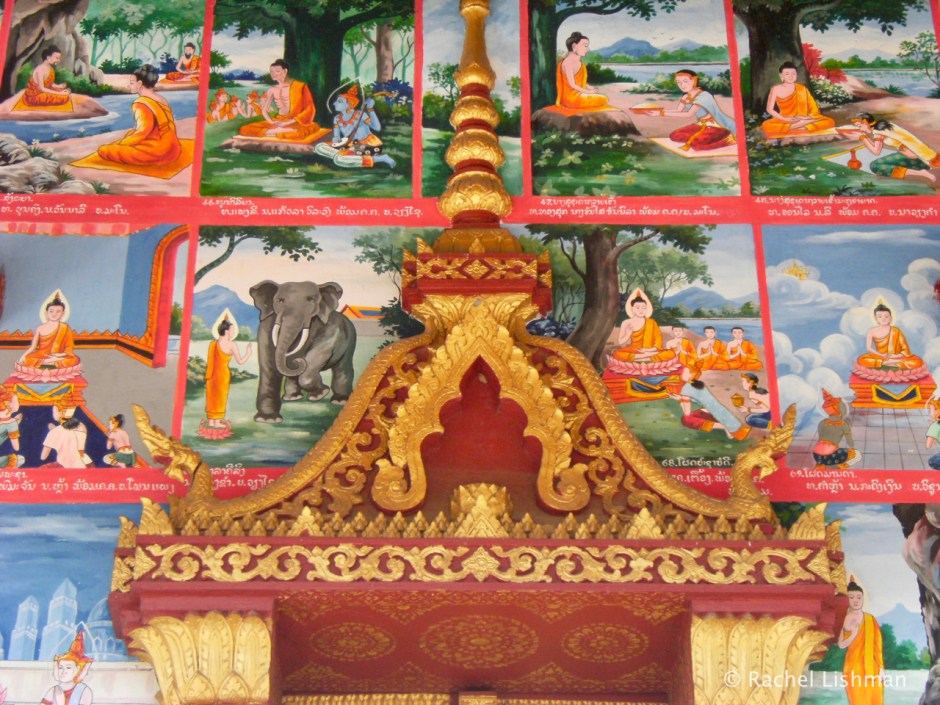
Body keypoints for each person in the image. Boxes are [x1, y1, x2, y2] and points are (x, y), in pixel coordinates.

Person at [97, 65, 182, 165]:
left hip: (158, 152)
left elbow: (142, 132)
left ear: (140, 83)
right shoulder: (161, 99)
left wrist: (121, 144)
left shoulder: (141, 103)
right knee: (130, 133)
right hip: (173, 148)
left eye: (132, 83)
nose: (129, 86)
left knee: (104, 150)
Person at [236, 59, 327, 141]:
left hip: (294, 121)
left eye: (277, 71)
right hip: (278, 120)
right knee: (245, 129)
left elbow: (309, 109)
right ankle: (278, 131)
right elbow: (264, 110)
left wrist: (289, 122)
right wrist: (272, 122)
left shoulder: (300, 86)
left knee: (306, 130)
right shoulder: (272, 89)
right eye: (271, 72)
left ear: (285, 71)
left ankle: (276, 132)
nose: (273, 74)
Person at [314, 84, 396, 168]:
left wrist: (370, 109)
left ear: (349, 105)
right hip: (349, 144)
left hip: (368, 145)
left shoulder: (360, 114)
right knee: (319, 147)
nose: (335, 103)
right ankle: (343, 155)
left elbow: (377, 128)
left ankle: (380, 158)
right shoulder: (337, 118)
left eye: (339, 101)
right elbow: (336, 137)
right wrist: (337, 142)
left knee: (339, 160)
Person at [656, 70, 736, 151]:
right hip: (701, 124)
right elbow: (679, 110)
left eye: (685, 81)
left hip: (717, 126)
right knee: (675, 135)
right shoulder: (686, 96)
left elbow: (689, 114)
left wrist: (662, 113)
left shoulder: (703, 96)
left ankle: (728, 141)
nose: (682, 85)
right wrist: (659, 112)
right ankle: (697, 137)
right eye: (678, 82)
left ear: (694, 80)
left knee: (696, 145)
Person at [667, 363, 750, 440]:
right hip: (715, 412)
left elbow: (687, 413)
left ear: (691, 375)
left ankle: (723, 426)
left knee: (686, 419)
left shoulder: (686, 388)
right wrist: (680, 398)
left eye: (685, 372)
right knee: (695, 415)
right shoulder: (697, 383)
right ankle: (724, 426)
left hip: (712, 413)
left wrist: (680, 399)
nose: (682, 374)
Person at [847, 113, 939, 183]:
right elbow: (876, 146)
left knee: (875, 165)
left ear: (866, 123)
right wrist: (865, 137)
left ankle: (921, 173)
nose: (860, 129)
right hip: (925, 157)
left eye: (859, 126)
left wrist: (863, 137)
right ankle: (919, 170)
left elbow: (876, 151)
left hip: (918, 159)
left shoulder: (878, 132)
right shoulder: (885, 125)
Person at [838, 578, 884, 705]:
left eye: (859, 597)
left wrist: (881, 668)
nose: (856, 600)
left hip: (872, 668)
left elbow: (878, 645)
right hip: (853, 668)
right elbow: (841, 644)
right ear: (847, 600)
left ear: (863, 598)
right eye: (851, 597)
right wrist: (853, 635)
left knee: (876, 700)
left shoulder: (870, 619)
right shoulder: (845, 619)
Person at [760, 61, 835, 139]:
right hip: (785, 119)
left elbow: (813, 108)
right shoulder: (775, 89)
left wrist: (806, 118)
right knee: (766, 125)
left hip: (803, 118)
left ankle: (796, 126)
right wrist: (785, 119)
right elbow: (769, 109)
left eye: (793, 74)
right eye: (787, 74)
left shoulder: (802, 88)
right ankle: (803, 126)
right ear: (781, 75)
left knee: (829, 121)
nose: (791, 76)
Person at [204, 317, 252, 429]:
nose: (233, 332)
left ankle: (211, 421)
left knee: (212, 396)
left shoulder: (212, 344)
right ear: (226, 331)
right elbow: (240, 361)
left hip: (211, 375)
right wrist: (248, 353)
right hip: (222, 376)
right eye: (232, 330)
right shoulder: (231, 344)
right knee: (220, 397)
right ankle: (216, 422)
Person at [610, 290, 676, 364]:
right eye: (637, 307)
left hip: (650, 350)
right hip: (634, 349)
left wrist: (648, 350)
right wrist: (628, 334)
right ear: (632, 308)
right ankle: (647, 357)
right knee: (617, 353)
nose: (641, 310)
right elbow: (620, 341)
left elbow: (658, 341)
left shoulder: (652, 322)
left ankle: (640, 358)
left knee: (671, 353)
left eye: (644, 308)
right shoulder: (626, 323)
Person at [17, 293, 80, 370]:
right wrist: (23, 356)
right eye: (51, 311)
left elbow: (69, 348)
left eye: (58, 311)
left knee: (75, 359)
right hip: (42, 355)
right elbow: (33, 347)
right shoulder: (40, 328)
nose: (54, 314)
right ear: (46, 313)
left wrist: (59, 355)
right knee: (29, 358)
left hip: (58, 356)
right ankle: (50, 362)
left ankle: (47, 362)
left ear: (63, 313)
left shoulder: (65, 327)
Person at [856, 303, 925, 371]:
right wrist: (882, 355)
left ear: (890, 318)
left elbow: (905, 349)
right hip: (880, 356)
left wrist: (896, 356)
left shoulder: (896, 330)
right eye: (880, 316)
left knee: (918, 361)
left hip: (896, 356)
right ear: (876, 318)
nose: (883, 319)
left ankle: (887, 363)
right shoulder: (871, 331)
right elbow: (869, 348)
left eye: (886, 316)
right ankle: (891, 363)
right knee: (862, 359)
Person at [553, 32, 610, 112]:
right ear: (574, 46)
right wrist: (588, 92)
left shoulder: (580, 64)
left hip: (580, 95)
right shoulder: (568, 62)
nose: (588, 49)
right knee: (604, 98)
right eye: (585, 46)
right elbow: (572, 84)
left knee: (603, 97)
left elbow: (579, 82)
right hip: (571, 99)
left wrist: (589, 87)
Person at [40, 631, 94, 705]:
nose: (63, 671)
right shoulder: (54, 690)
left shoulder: (84, 690)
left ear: (77, 670)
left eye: (68, 668)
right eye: (60, 668)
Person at [813, 389, 859, 469]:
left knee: (830, 453)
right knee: (857, 455)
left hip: (817, 456)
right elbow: (850, 441)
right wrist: (852, 446)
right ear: (840, 411)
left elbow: (821, 438)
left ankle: (821, 464)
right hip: (831, 456)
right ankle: (840, 465)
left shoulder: (822, 423)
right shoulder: (843, 424)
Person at [40, 398, 91, 468]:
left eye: (54, 412)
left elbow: (43, 457)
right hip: (84, 464)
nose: (53, 414)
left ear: (60, 413)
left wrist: (53, 433)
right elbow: (78, 446)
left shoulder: (54, 432)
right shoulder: (81, 426)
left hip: (64, 466)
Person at [0, 386, 21, 453]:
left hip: (10, 422)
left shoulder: (11, 396)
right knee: (16, 447)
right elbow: (15, 408)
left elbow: (15, 408)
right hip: (10, 422)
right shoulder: (12, 396)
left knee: (16, 447)